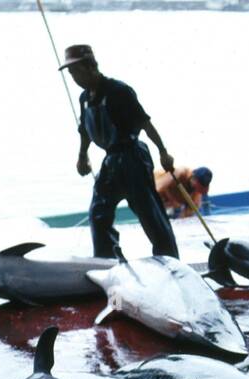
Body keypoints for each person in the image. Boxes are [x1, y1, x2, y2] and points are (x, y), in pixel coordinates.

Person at [63, 45, 180, 260]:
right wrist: (82, 156)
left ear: (91, 66)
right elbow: (84, 131)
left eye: (76, 71)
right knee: (99, 214)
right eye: (71, 74)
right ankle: (107, 261)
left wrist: (163, 152)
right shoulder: (84, 98)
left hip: (133, 157)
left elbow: (146, 123)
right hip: (110, 161)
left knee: (148, 213)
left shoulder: (119, 91)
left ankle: (169, 259)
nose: (74, 78)